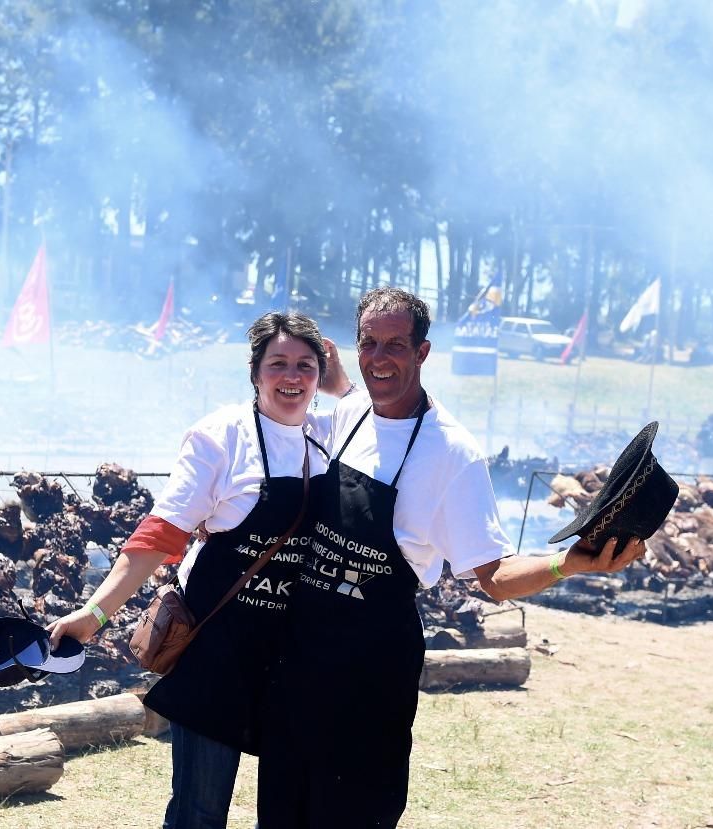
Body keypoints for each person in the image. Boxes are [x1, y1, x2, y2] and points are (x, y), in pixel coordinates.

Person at [257, 288, 646, 828]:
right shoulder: (348, 411)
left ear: (423, 352)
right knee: (281, 813)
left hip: (371, 672)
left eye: (396, 344)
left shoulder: (453, 453)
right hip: (301, 660)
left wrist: (570, 564)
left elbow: (494, 577)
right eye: (369, 343)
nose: (379, 357)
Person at [47, 311, 350, 829]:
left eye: (306, 366)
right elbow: (160, 533)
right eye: (278, 364)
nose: (293, 378)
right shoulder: (221, 436)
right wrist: (94, 614)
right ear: (255, 373)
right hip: (217, 646)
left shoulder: (334, 433)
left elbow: (388, 417)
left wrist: (340, 375)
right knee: (200, 812)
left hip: (293, 654)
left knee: (290, 810)